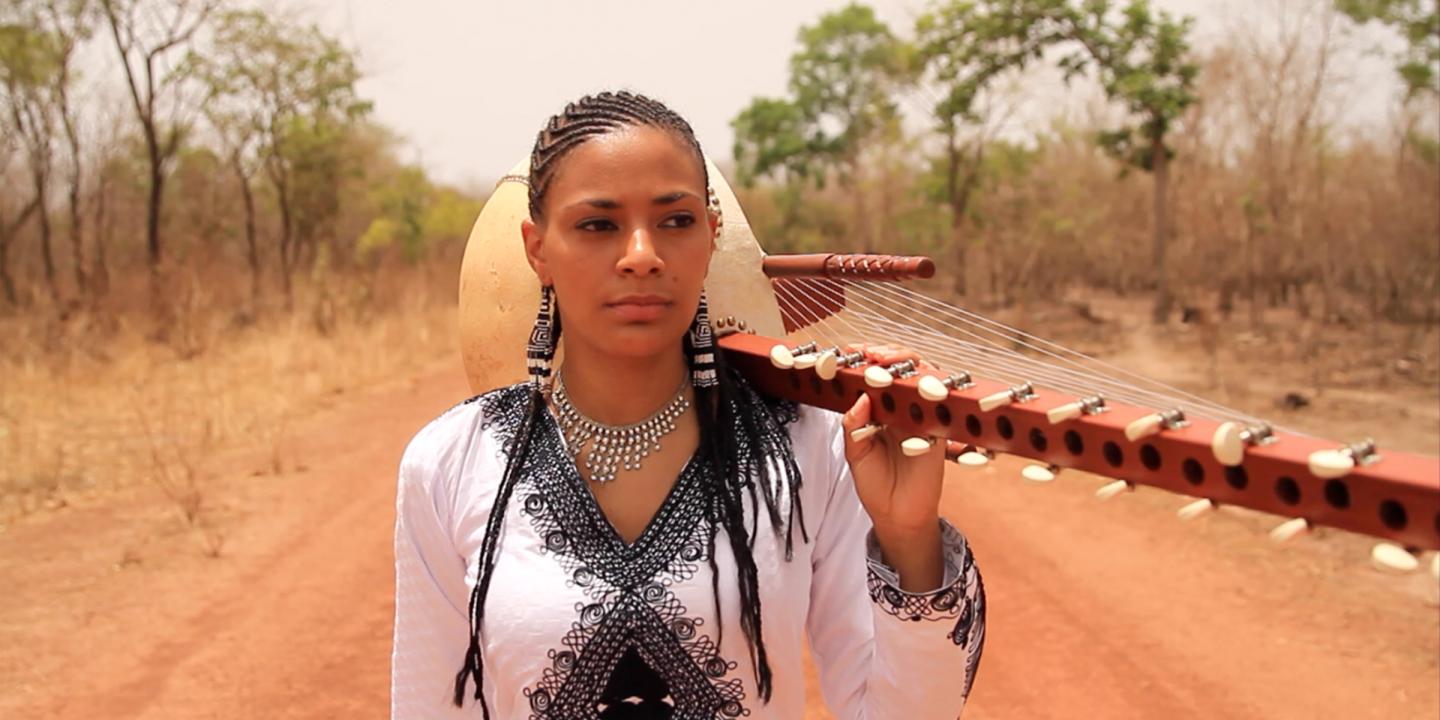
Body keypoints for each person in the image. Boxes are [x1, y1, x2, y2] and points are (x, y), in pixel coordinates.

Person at [391, 90, 985, 720]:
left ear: (710, 234)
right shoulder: (454, 463)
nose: (643, 256)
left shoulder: (811, 447)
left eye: (676, 221)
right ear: (538, 249)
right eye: (599, 225)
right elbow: (430, 704)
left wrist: (909, 537)